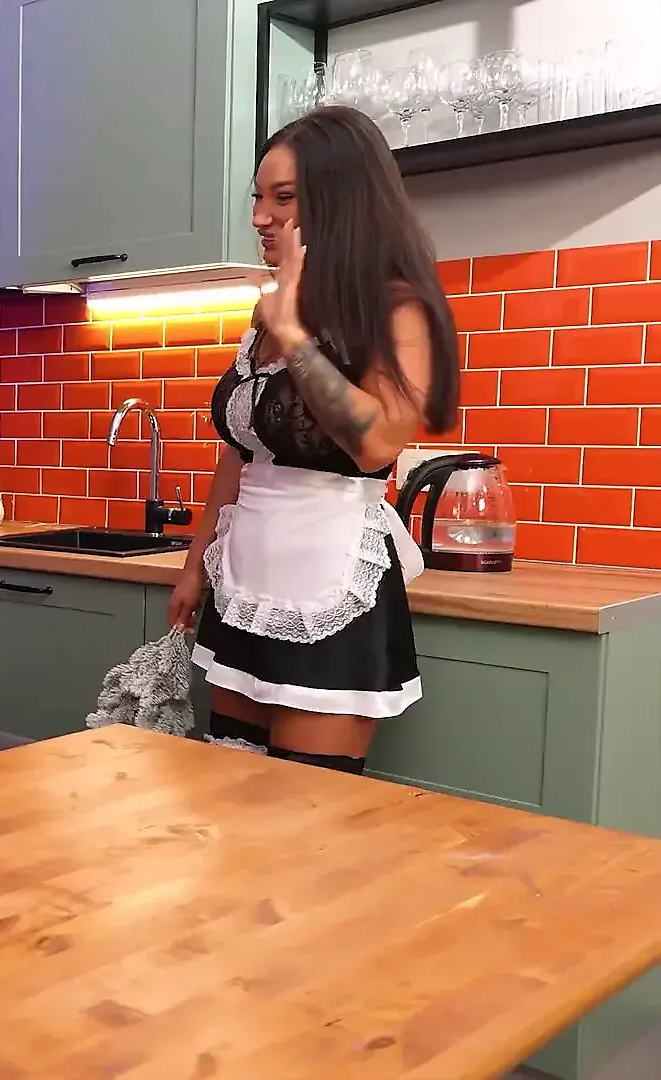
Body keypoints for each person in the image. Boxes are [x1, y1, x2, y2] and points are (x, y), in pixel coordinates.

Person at [167, 105, 460, 775]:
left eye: (283, 198)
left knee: (305, 814)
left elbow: (378, 444)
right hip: (243, 584)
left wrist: (295, 335)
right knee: (226, 793)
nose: (259, 217)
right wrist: (194, 565)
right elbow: (242, 452)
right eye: (258, 198)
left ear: (340, 199)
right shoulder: (269, 310)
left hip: (330, 587)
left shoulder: (395, 306)